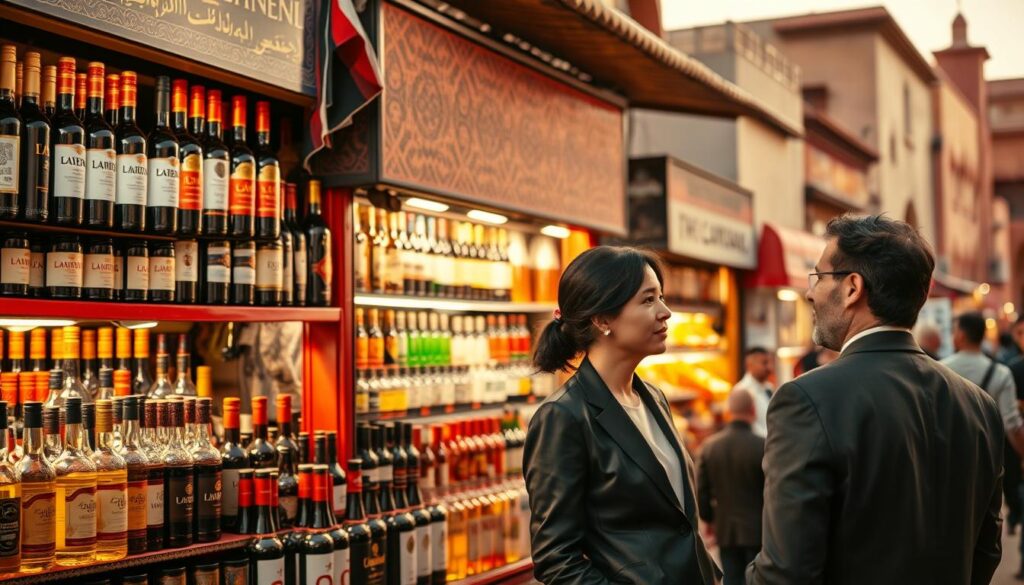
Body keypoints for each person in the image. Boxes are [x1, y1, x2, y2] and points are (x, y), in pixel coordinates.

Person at [746, 215, 1004, 585]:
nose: (810, 293)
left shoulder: (806, 399)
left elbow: (786, 572)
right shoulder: (979, 404)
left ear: (853, 287)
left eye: (818, 277)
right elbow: (987, 551)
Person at [524, 246, 719, 585]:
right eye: (648, 300)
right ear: (602, 320)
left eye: (661, 297)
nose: (666, 312)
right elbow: (556, 559)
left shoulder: (653, 398)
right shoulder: (563, 417)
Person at [697, 390, 764, 585]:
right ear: (753, 410)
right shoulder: (763, 445)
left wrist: (709, 519)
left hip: (726, 530)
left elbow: (702, 491)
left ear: (729, 412)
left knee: (732, 579)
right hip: (759, 530)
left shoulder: (709, 447)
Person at [732, 347, 774, 437]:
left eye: (770, 363)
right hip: (756, 442)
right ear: (750, 365)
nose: (769, 368)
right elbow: (746, 424)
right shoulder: (741, 391)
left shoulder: (768, 387)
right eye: (764, 363)